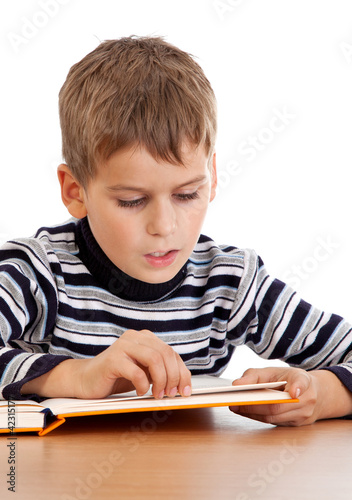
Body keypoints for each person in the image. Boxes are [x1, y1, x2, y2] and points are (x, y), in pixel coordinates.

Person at [0, 36, 351, 427]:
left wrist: (321, 394)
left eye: (187, 194)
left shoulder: (230, 284)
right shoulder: (37, 271)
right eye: (132, 201)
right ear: (75, 191)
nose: (165, 227)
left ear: (212, 177)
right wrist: (74, 375)